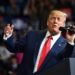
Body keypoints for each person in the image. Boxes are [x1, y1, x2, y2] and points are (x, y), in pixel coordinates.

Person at [3, 10, 75, 75]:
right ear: (47, 22)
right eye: (53, 18)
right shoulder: (32, 35)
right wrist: (8, 36)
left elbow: (68, 59)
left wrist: (70, 41)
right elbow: (14, 47)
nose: (55, 21)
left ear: (63, 25)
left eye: (59, 19)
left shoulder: (66, 44)